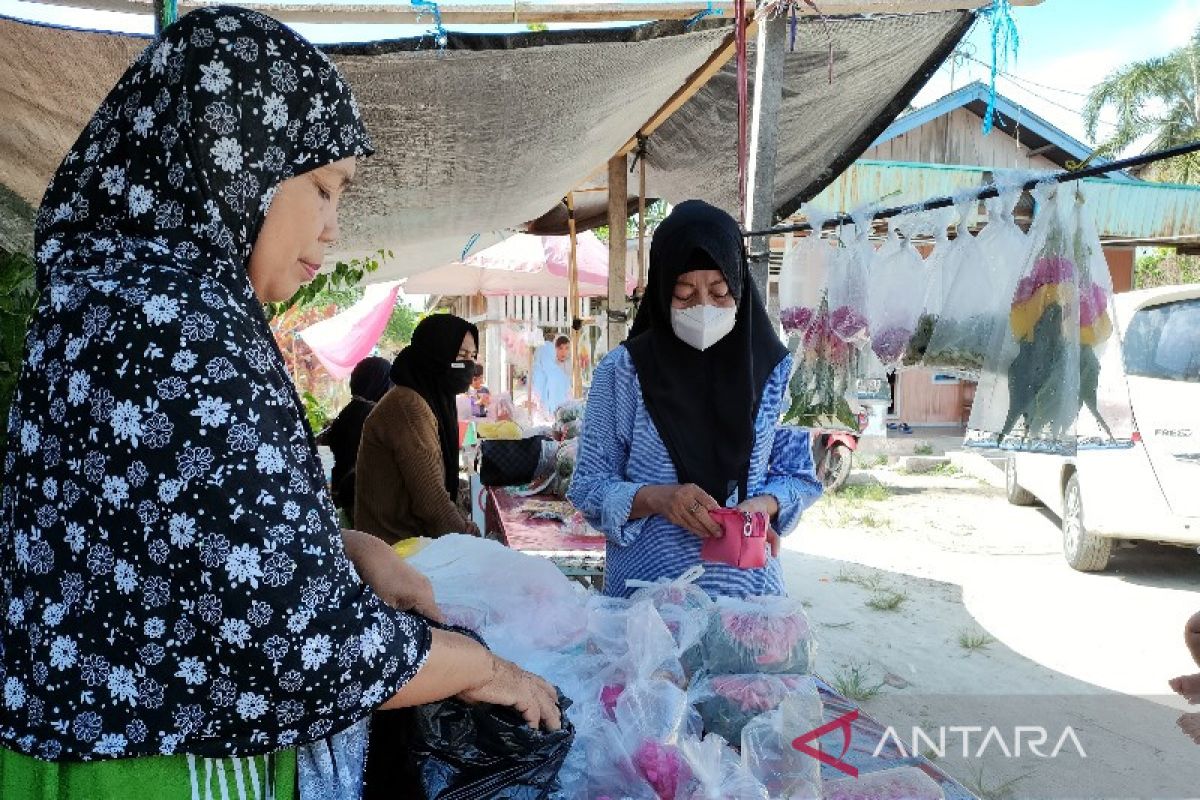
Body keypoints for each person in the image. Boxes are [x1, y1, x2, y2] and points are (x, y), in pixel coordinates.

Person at [0, 10, 557, 798]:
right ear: (236, 165)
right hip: (153, 765)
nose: (331, 228)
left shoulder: (107, 296)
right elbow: (293, 646)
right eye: (323, 188)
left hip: (68, 746)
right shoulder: (186, 328)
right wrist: (479, 667)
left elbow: (179, 544)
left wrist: (346, 548)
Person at [568, 200, 822, 599]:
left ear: (739, 287)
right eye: (684, 294)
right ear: (661, 290)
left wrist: (765, 503)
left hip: (747, 598)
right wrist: (658, 498)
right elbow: (588, 487)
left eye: (720, 292)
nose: (703, 307)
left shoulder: (775, 372)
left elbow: (799, 477)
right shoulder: (623, 373)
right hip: (647, 601)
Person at [355, 315, 481, 543]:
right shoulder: (408, 406)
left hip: (412, 546)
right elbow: (432, 505)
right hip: (398, 555)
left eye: (472, 357)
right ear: (435, 354)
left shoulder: (429, 400)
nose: (469, 365)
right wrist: (474, 538)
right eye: (461, 355)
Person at [317, 355, 392, 518]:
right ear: (381, 382)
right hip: (356, 503)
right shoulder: (373, 418)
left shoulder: (350, 411)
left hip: (335, 497)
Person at [532, 334, 571, 416]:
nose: (563, 352)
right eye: (560, 348)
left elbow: (537, 395)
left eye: (566, 348)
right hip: (561, 414)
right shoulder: (560, 374)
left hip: (544, 414)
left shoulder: (538, 372)